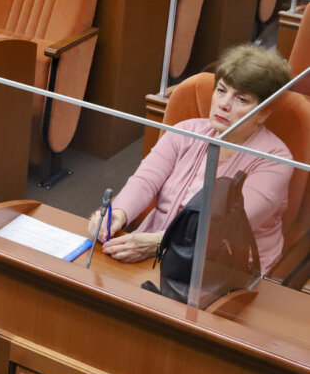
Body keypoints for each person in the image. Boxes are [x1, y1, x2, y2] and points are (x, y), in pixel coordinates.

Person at [87, 44, 294, 275]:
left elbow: (226, 230)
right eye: (221, 90)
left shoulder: (276, 161)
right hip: (151, 247)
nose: (224, 104)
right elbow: (145, 180)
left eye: (241, 99)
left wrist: (159, 243)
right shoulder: (186, 130)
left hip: (224, 269)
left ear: (264, 112)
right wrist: (118, 213)